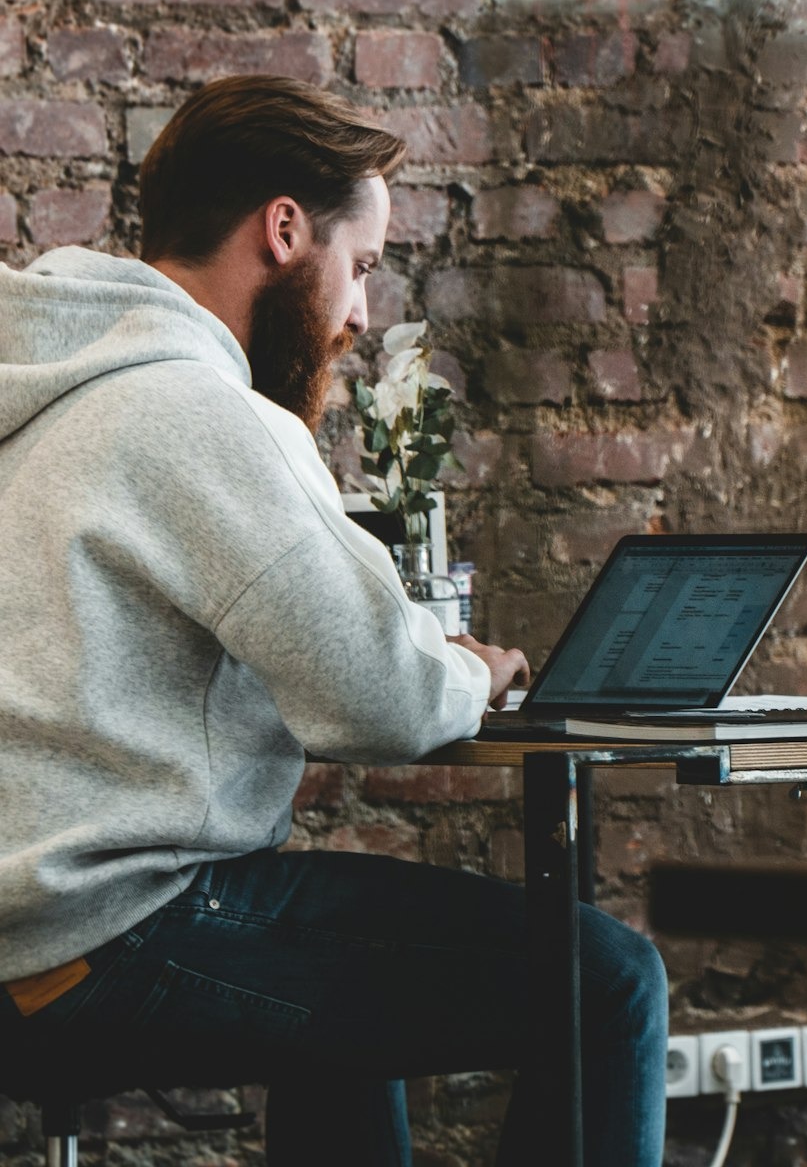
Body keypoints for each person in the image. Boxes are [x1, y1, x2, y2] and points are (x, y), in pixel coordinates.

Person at [0, 75, 668, 1165]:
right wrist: (472, 668)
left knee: (342, 1010)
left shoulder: (43, 389)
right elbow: (380, 694)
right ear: (283, 230)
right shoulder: (198, 411)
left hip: (21, 922)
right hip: (101, 927)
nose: (360, 314)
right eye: (359, 267)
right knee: (605, 981)